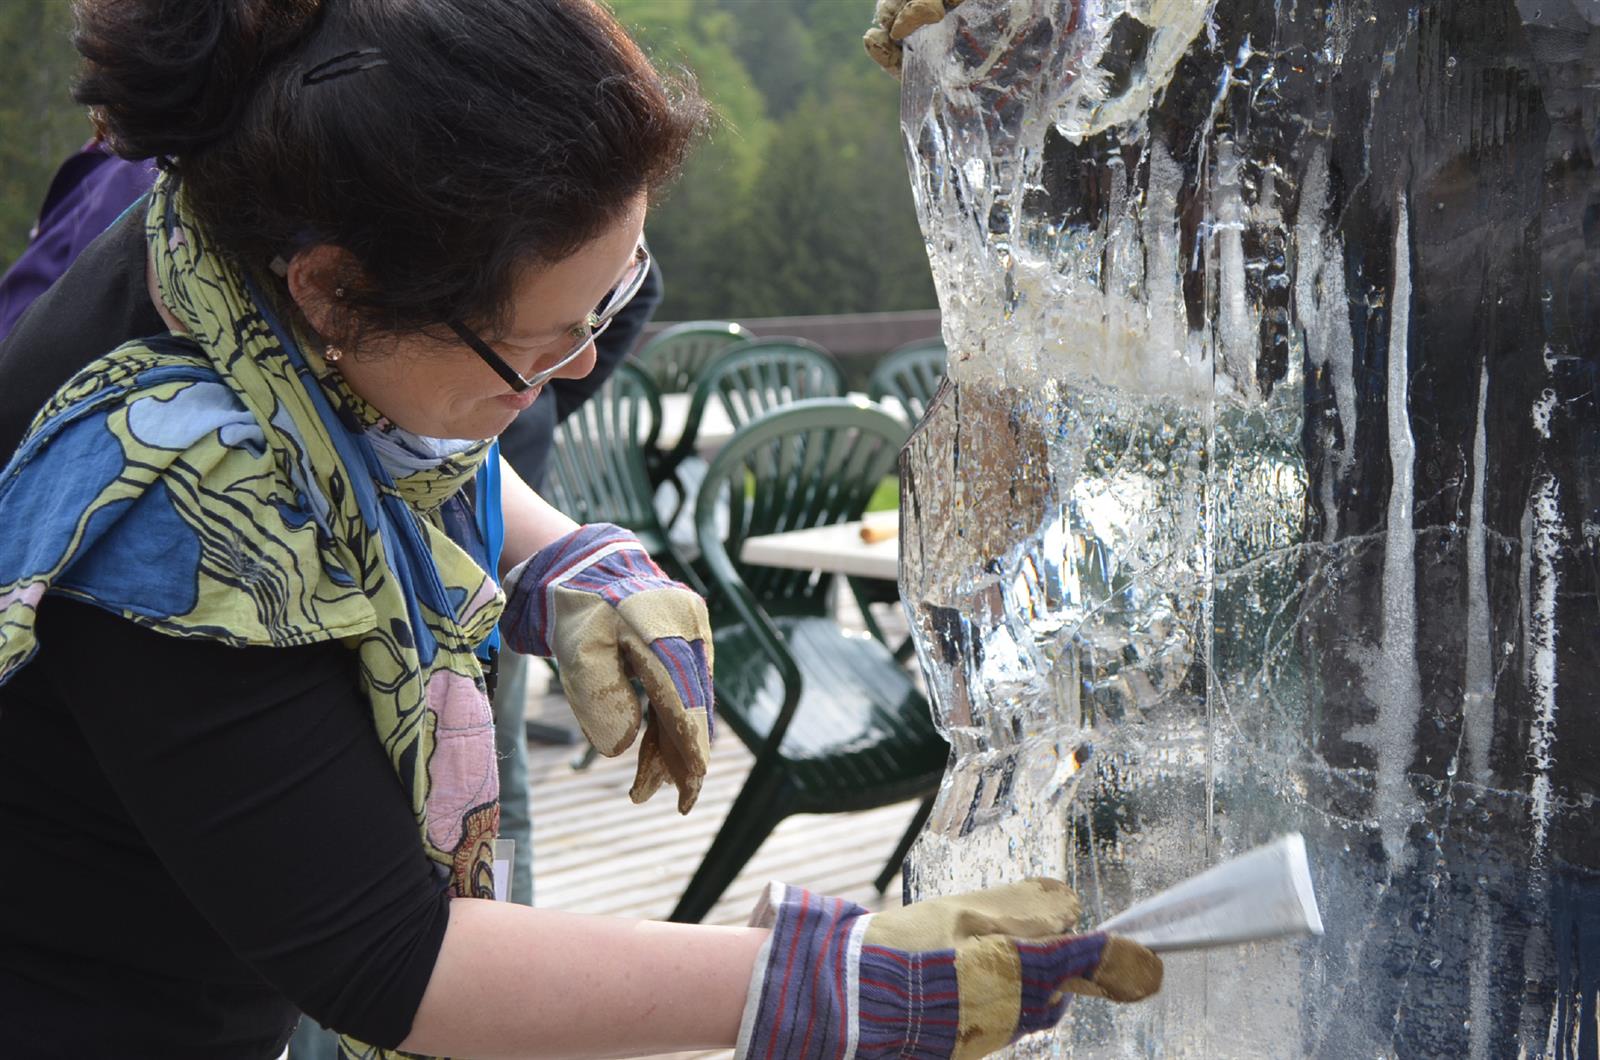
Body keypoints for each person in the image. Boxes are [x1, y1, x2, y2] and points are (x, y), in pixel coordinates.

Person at [0, 2, 1161, 1059]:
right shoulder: (164, 487)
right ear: (331, 288)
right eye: (541, 341)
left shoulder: (252, 233)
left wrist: (555, 550)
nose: (586, 363)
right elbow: (397, 960)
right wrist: (827, 981)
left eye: (605, 302)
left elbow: (381, 416)